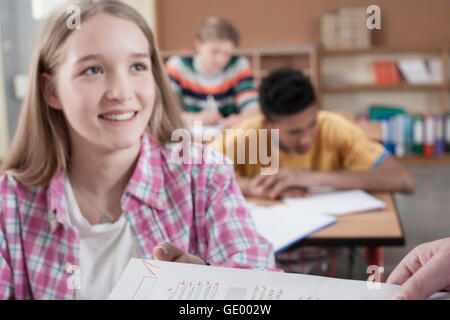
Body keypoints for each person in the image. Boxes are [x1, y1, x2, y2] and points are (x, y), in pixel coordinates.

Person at [0, 0, 276, 300]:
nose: (121, 92)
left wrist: (212, 292)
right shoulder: (9, 202)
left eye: (137, 66)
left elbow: (260, 284)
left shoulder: (206, 175)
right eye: (93, 70)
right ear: (51, 90)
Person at [210, 67, 415, 275]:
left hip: (332, 248)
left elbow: (404, 180)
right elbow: (195, 178)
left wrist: (312, 179)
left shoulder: (335, 127)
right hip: (267, 250)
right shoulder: (244, 135)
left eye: (312, 125)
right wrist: (250, 186)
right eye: (294, 132)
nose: (306, 139)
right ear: (266, 125)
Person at [165, 16, 260, 129]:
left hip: (227, 137)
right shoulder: (177, 66)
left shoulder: (238, 66)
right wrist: (194, 118)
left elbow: (253, 107)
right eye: (214, 51)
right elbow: (165, 111)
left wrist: (242, 119)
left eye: (227, 53)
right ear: (199, 44)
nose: (221, 59)